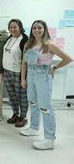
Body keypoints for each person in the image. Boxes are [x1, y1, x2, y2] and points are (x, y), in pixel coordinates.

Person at [20, 20, 72, 150]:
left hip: (43, 76)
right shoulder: (28, 44)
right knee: (32, 102)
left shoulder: (49, 44)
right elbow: (24, 63)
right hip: (30, 75)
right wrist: (23, 79)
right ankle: (34, 127)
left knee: (45, 107)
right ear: (31, 30)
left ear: (45, 30)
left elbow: (68, 58)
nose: (37, 30)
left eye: (40, 28)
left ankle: (49, 139)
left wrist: (54, 68)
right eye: (34, 28)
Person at [2, 19, 28, 127]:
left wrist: (23, 77)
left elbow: (25, 59)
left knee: (21, 96)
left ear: (20, 27)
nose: (12, 29)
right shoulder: (10, 37)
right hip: (7, 71)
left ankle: (23, 117)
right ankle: (15, 113)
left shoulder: (24, 39)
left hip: (18, 72)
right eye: (11, 27)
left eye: (15, 27)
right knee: (11, 95)